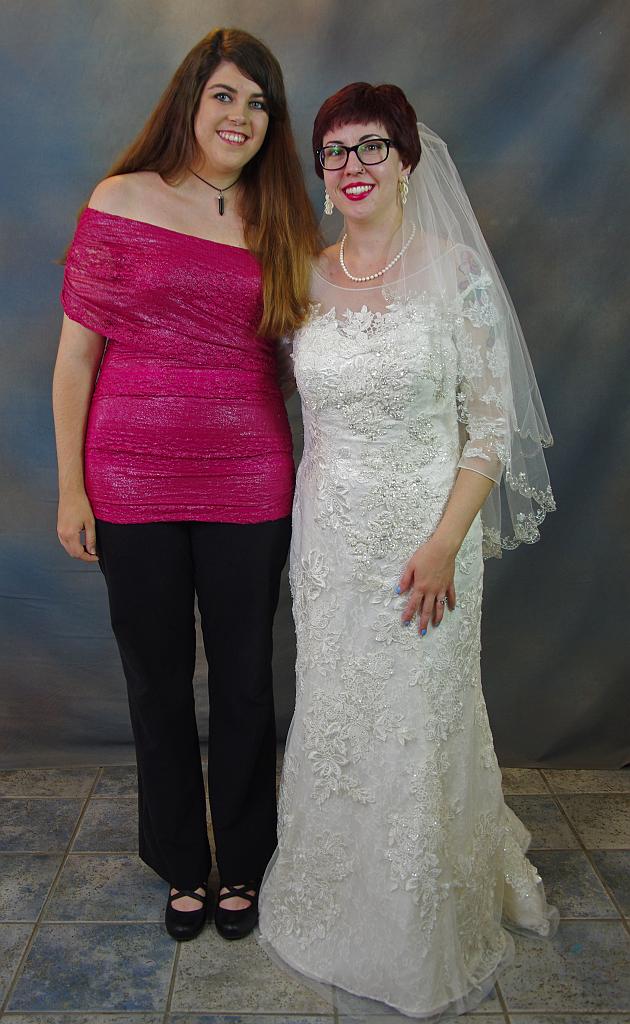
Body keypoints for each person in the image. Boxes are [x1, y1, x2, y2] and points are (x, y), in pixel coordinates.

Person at [258, 83, 558, 1017]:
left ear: (406, 162)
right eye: (335, 151)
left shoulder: (454, 270)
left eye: (370, 147)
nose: (352, 166)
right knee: (339, 715)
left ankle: (419, 926)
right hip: (329, 543)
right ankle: (333, 898)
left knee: (419, 723)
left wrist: (443, 543)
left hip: (428, 541)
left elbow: (490, 428)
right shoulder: (302, 274)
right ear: (322, 172)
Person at [52, 27, 319, 942]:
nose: (241, 116)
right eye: (225, 96)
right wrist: (72, 490)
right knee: (156, 679)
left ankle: (242, 861)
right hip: (129, 479)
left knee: (244, 679)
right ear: (191, 101)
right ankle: (179, 863)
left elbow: (301, 362)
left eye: (258, 103)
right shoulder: (121, 198)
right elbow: (76, 360)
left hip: (251, 477)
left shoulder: (282, 218)